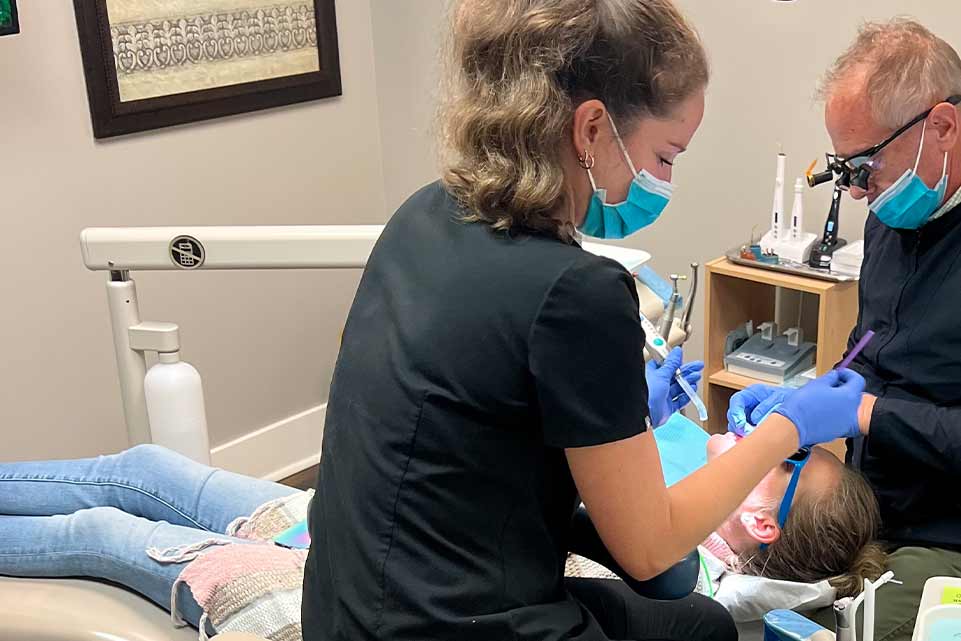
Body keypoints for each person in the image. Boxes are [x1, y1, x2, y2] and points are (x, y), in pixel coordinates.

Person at [303, 2, 868, 640]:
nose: (664, 180)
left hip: (345, 605)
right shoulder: (577, 292)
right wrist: (789, 428)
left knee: (698, 621)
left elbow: (472, 437)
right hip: (439, 624)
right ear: (592, 127)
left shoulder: (426, 214)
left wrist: (610, 417)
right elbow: (651, 551)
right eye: (666, 156)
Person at [0, 436, 879, 639]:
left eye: (781, 451)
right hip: (339, 517)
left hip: (327, 575)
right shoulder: (672, 513)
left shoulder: (671, 587)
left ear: (760, 519)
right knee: (144, 466)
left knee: (107, 529)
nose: (750, 437)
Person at [729, 18, 961, 641]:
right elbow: (870, 347)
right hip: (870, 499)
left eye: (866, 165)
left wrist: (862, 414)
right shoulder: (894, 212)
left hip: (944, 530)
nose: (857, 192)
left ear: (942, 126)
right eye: (846, 168)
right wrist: (819, 390)